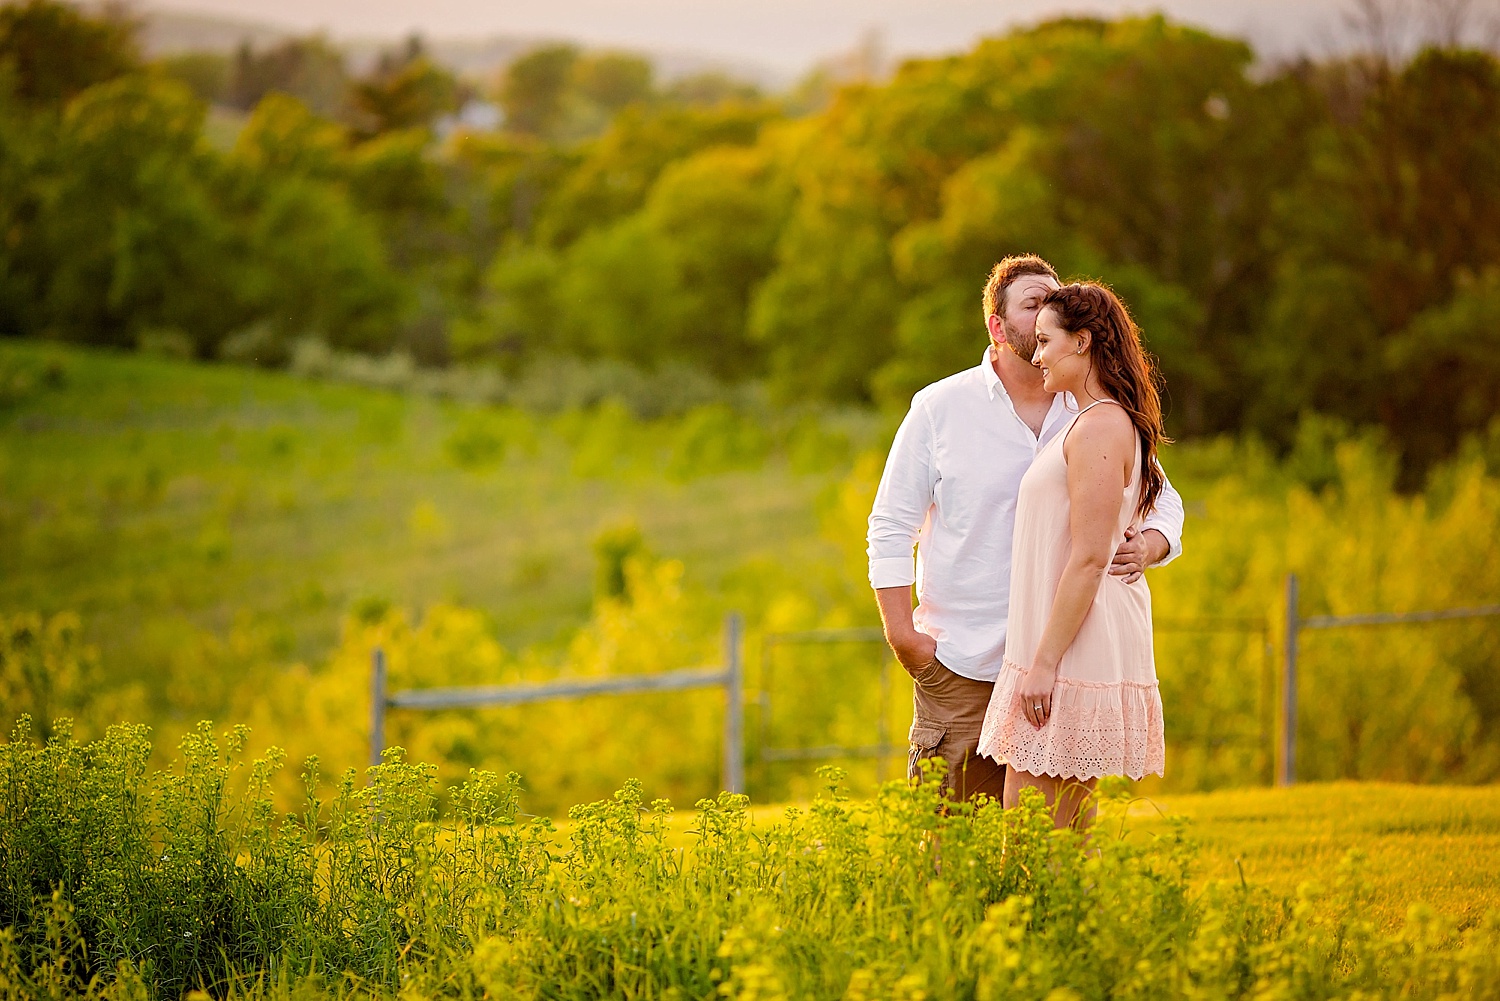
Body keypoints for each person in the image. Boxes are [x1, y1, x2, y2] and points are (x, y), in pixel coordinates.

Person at [868, 255, 1183, 805]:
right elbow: (891, 526)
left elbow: (1161, 499)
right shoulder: (940, 407)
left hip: (1058, 663)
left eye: (1052, 309)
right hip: (965, 661)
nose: (1044, 320)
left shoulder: (1087, 408)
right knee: (951, 846)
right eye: (1032, 306)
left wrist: (1150, 546)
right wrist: (905, 638)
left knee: (1041, 840)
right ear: (997, 324)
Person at [976, 281, 1169, 829]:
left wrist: (1043, 665)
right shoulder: (1087, 421)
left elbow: (1088, 557)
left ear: (1082, 342)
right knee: (1048, 829)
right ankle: (1071, 917)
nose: (1035, 356)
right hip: (1057, 645)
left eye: (1045, 342)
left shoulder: (1102, 425)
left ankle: (1066, 917)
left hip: (1070, 651)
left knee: (1038, 832)